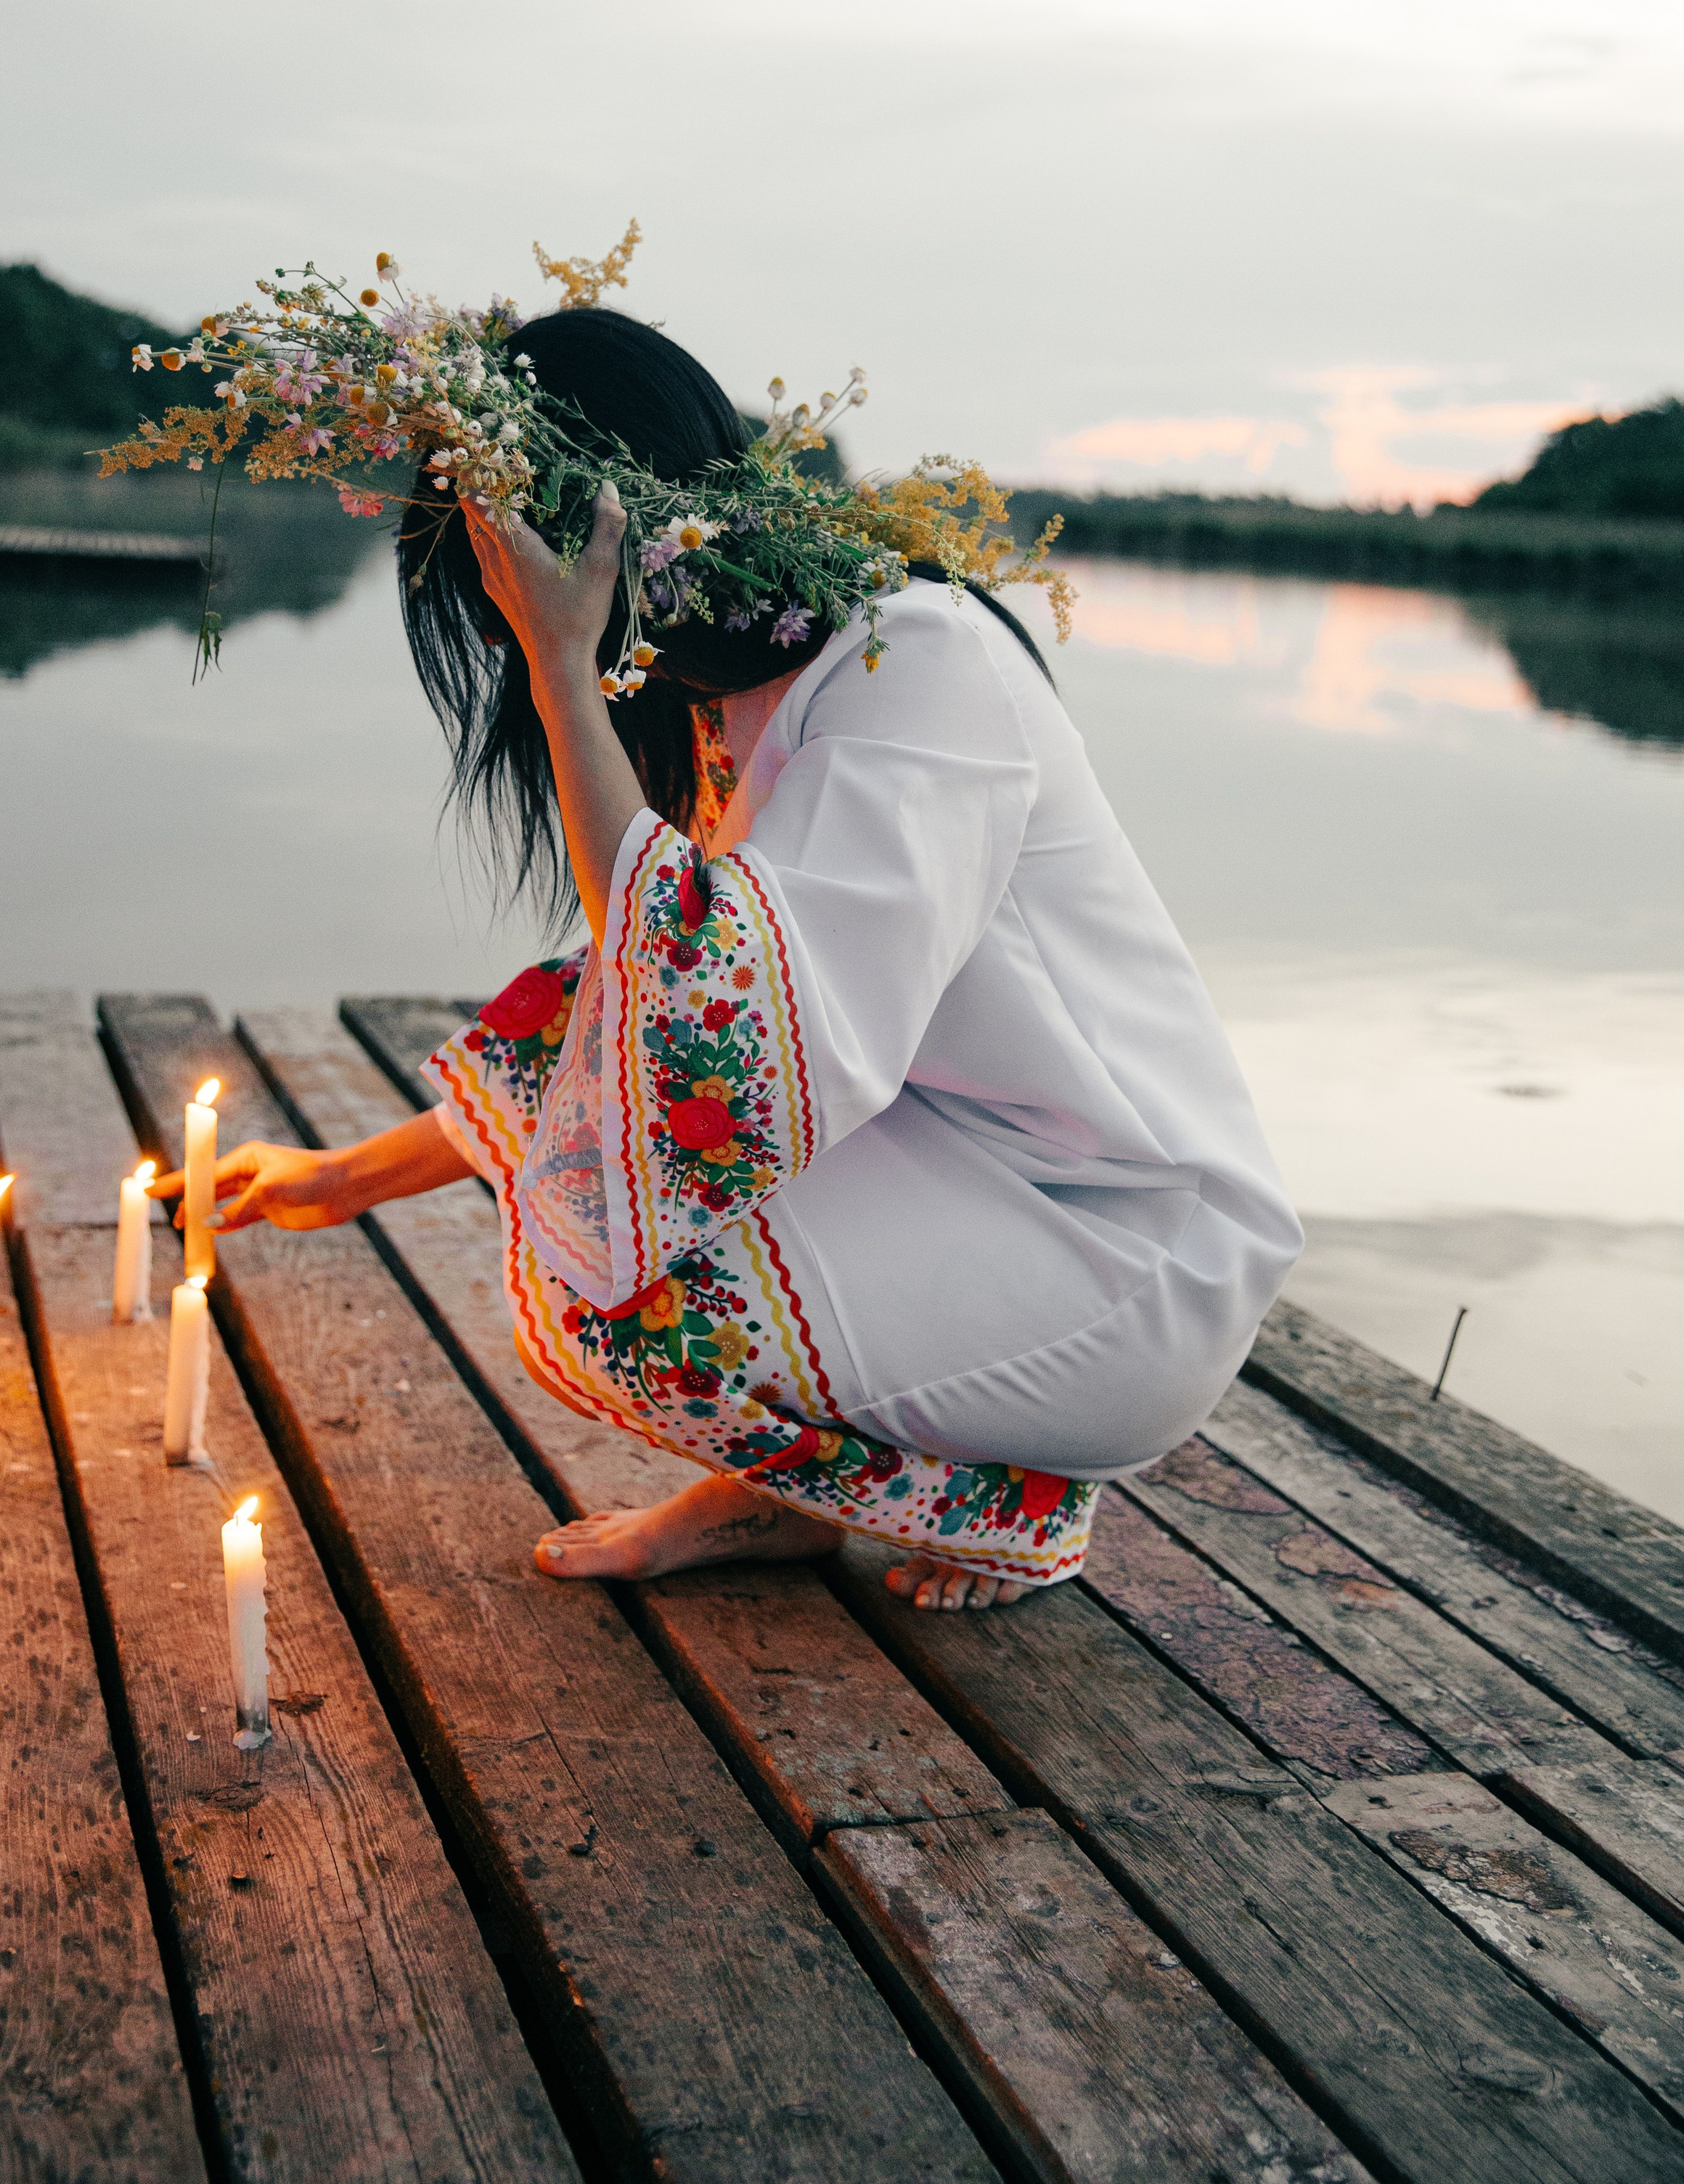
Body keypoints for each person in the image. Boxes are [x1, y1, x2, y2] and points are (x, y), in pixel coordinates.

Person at [176, 308, 1301, 1610]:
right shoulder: (737, 690)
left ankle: (1014, 1504)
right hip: (966, 1169)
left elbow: (697, 1021)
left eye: (507, 596)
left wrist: (559, 666)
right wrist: (345, 1177)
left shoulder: (911, 663)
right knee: (596, 1074)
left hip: (1121, 1247)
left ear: (597, 545)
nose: (506, 637)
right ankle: (786, 1505)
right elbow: (616, 1013)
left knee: (629, 1295)